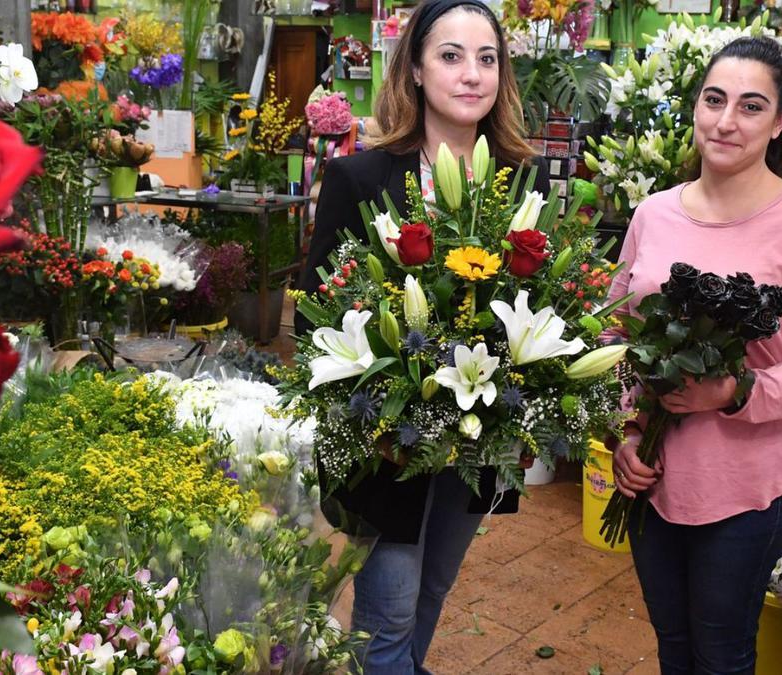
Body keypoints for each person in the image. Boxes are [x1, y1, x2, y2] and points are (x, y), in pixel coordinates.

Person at [295, 0, 549, 672]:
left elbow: (543, 303)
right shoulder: (361, 176)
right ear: (413, 69)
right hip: (387, 441)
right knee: (389, 607)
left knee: (433, 586)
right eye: (451, 55)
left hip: (477, 435)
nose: (472, 74)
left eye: (487, 58)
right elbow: (314, 314)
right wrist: (390, 387)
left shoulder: (523, 178)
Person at [604, 36, 782, 674]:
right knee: (673, 644)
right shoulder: (654, 213)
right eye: (714, 100)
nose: (725, 121)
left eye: (750, 107)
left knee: (721, 654)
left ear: (778, 124)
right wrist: (624, 433)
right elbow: (613, 336)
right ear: (695, 106)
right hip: (653, 475)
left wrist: (736, 392)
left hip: (750, 484)